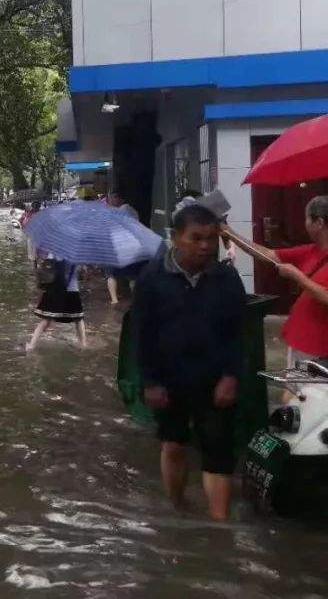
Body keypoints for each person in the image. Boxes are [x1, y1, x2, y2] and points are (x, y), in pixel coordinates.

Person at [133, 204, 245, 521]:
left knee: (219, 455)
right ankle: (178, 509)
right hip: (170, 380)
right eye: (196, 238)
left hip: (215, 381)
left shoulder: (226, 279)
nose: (205, 246)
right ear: (175, 238)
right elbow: (143, 335)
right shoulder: (152, 279)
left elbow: (239, 333)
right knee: (174, 445)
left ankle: (219, 528)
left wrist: (231, 375)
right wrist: (150, 381)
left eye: (210, 238)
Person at [226, 195, 328, 369]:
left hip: (319, 348)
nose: (305, 223)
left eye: (307, 218)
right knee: (295, 393)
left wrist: (297, 276)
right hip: (301, 341)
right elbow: (267, 254)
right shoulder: (310, 251)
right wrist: (229, 232)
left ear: (318, 222)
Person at [27, 255, 87, 350]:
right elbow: (82, 274)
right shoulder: (78, 255)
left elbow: (46, 269)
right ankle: (83, 344)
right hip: (72, 290)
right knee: (78, 319)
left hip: (55, 290)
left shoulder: (55, 252)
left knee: (46, 319)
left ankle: (31, 345)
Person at [105, 192, 140, 304]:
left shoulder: (120, 211)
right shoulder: (132, 211)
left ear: (119, 199)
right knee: (132, 275)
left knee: (111, 274)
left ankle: (114, 299)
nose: (110, 200)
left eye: (113, 197)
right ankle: (135, 298)